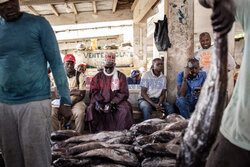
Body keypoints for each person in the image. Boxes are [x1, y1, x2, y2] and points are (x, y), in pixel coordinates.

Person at [0, 0, 72, 166]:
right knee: (11, 158)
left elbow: (55, 62)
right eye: (2, 4)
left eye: (12, 1)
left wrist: (66, 101)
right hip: (4, 104)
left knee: (36, 158)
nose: (9, 6)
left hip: (35, 102)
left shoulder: (39, 24)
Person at [198, 0, 250, 166]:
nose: (205, 41)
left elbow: (231, 66)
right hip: (239, 138)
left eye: (207, 38)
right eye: (203, 38)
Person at [86, 52, 133, 132]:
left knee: (125, 109)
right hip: (101, 102)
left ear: (114, 65)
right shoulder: (97, 76)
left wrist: (112, 103)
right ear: (104, 66)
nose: (108, 70)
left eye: (110, 68)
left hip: (117, 103)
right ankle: (96, 134)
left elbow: (123, 92)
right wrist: (98, 103)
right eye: (106, 67)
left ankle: (123, 133)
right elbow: (94, 92)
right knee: (91, 109)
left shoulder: (121, 76)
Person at [52, 54, 86, 134]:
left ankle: (78, 136)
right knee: (52, 113)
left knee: (80, 113)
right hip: (62, 101)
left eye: (72, 63)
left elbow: (82, 94)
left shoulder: (79, 75)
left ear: (74, 64)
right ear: (64, 64)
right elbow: (57, 93)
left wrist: (70, 102)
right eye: (68, 63)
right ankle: (55, 136)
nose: (70, 66)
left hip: (76, 101)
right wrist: (73, 93)